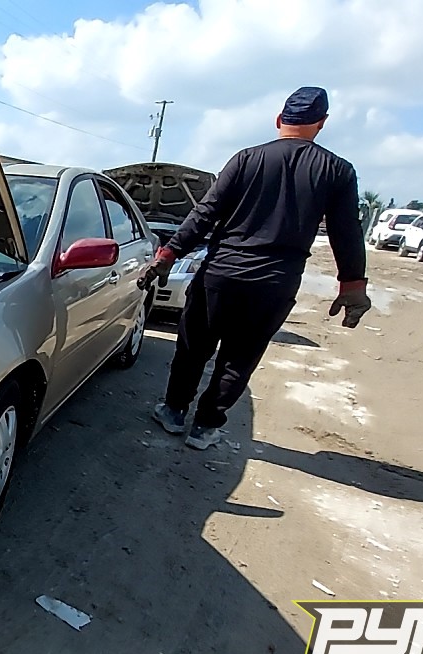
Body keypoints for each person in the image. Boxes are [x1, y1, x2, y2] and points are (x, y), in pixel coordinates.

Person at [140, 86, 371, 450]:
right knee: (239, 359)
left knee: (193, 347)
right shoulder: (338, 171)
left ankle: (173, 411)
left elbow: (205, 212)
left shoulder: (246, 159)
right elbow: (347, 232)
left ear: (279, 120)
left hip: (221, 273)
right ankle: (205, 427)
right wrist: (352, 286)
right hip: (275, 283)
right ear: (321, 123)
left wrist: (169, 253)